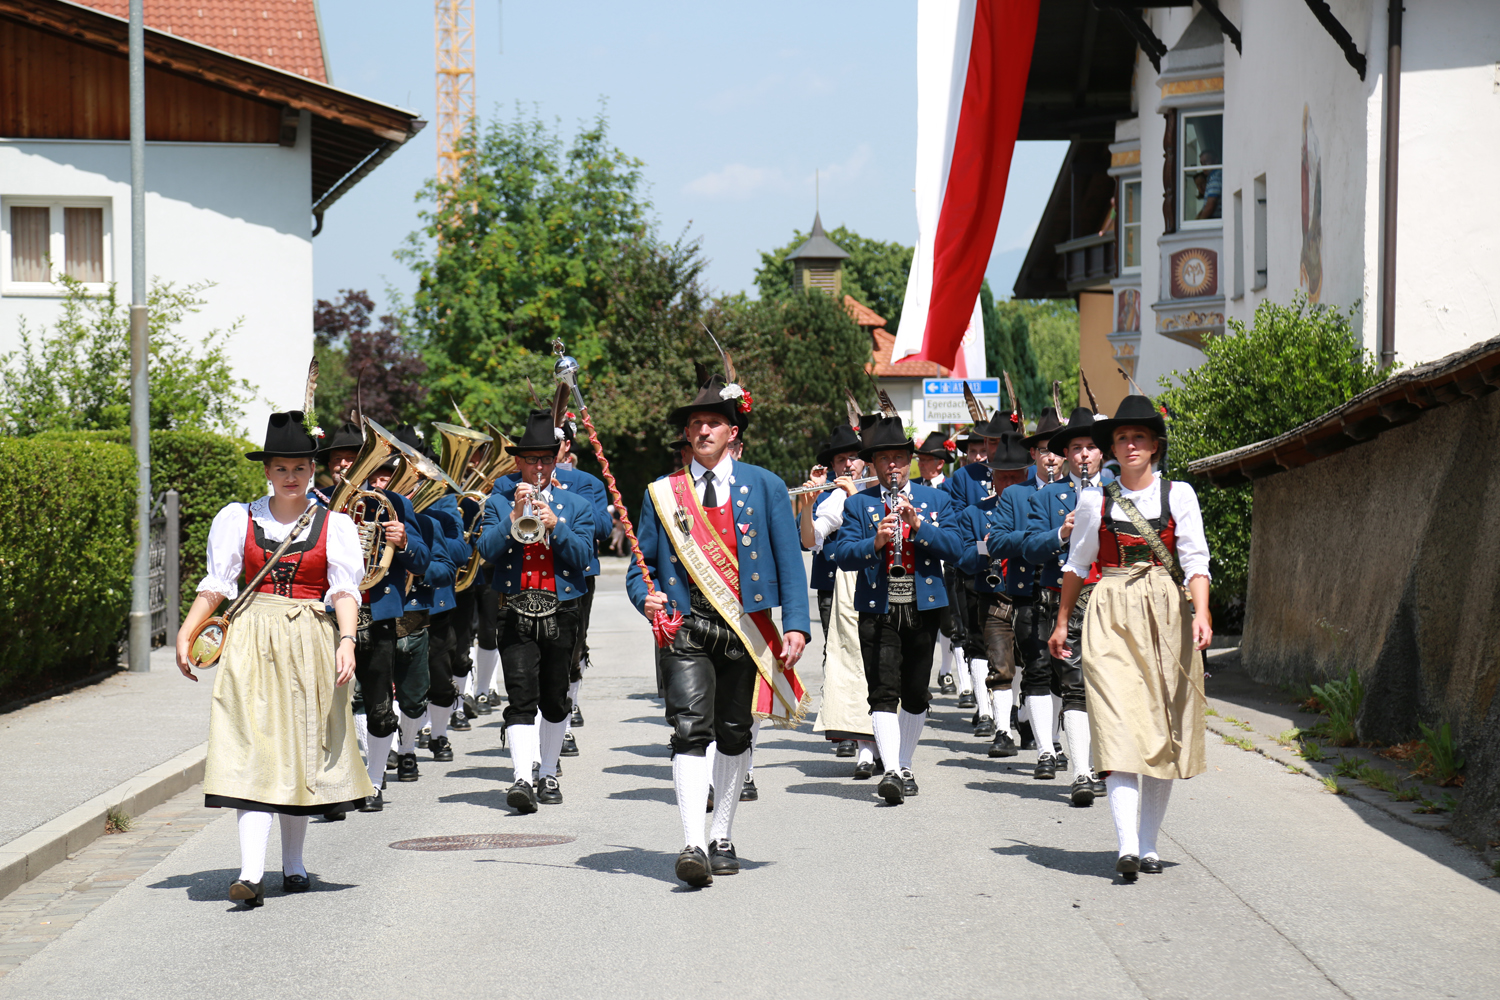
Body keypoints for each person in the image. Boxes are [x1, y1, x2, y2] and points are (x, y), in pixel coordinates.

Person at [175, 411, 371, 908]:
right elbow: (218, 584)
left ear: (313, 472)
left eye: (300, 468)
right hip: (250, 640)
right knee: (252, 749)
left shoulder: (336, 524)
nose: (290, 477)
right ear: (267, 471)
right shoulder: (237, 518)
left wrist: (347, 639)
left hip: (309, 638)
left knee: (300, 751)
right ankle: (251, 872)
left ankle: (295, 863)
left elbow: (345, 589)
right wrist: (187, 629)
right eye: (281, 468)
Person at [627, 369, 809, 887]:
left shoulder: (767, 486)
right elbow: (643, 564)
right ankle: (690, 842)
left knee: (733, 733)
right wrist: (648, 598)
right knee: (689, 728)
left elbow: (788, 561)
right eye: (696, 424)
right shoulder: (662, 493)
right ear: (686, 435)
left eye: (713, 423)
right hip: (684, 627)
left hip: (746, 628)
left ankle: (721, 834)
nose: (703, 431)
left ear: (732, 432)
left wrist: (796, 623)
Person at [1048, 394, 1212, 880]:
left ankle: (1148, 844)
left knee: (1162, 728)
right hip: (1112, 610)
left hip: (1165, 612)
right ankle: (1124, 845)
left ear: (1155, 445)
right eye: (1122, 438)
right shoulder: (1094, 498)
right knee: (1118, 724)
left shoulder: (1178, 495)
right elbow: (1078, 565)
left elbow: (1197, 561)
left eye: (1139, 436)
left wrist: (1201, 614)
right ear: (1112, 449)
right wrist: (1061, 622)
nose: (1130, 444)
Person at [828, 414, 963, 806]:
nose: (892, 466)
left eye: (900, 458)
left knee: (917, 694)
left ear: (911, 462)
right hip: (879, 605)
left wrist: (919, 527)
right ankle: (890, 770)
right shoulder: (859, 505)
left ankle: (903, 763)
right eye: (884, 458)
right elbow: (840, 554)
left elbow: (956, 550)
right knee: (883, 692)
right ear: (873, 464)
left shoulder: (937, 500)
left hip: (923, 603)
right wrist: (875, 542)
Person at [478, 410, 596, 813]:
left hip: (562, 610)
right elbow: (486, 552)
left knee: (556, 696)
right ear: (518, 463)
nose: (539, 467)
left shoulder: (576, 505)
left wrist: (556, 524)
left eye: (546, 459)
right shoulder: (498, 501)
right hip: (514, 608)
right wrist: (514, 516)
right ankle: (522, 778)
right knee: (520, 695)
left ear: (556, 460)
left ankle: (548, 771)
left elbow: (584, 559)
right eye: (532, 460)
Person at [318, 423, 431, 814]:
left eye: (352, 458)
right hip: (330, 615)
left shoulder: (395, 503)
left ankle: (375, 780)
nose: (345, 465)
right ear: (329, 467)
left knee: (381, 706)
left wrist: (403, 542)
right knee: (330, 706)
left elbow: (422, 560)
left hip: (378, 612)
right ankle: (333, 783)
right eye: (338, 460)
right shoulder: (316, 505)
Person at [1020, 407, 1114, 806]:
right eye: (1076, 448)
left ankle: (1103, 763)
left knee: (1107, 686)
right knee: (1073, 684)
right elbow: (1025, 546)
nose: (1084, 455)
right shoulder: (1047, 497)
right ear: (1067, 454)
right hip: (1064, 597)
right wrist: (1060, 532)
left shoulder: (1120, 491)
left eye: (1092, 447)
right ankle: (1079, 772)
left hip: (1113, 597)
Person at [800, 425, 877, 775]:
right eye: (841, 459)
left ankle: (880, 736)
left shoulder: (878, 491)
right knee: (839, 655)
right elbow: (810, 539)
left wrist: (854, 496)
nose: (848, 465)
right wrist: (806, 503)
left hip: (875, 584)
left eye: (853, 458)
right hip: (836, 585)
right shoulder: (832, 495)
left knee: (876, 657)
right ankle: (848, 728)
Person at [955, 432, 1035, 754]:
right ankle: (1003, 730)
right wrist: (989, 546)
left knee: (1031, 665)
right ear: (993, 477)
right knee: (1000, 664)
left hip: (1031, 594)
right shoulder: (975, 513)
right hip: (995, 595)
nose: (1009, 484)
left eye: (1015, 477)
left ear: (1026, 474)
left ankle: (1027, 721)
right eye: (1003, 477)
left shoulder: (1036, 508)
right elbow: (963, 557)